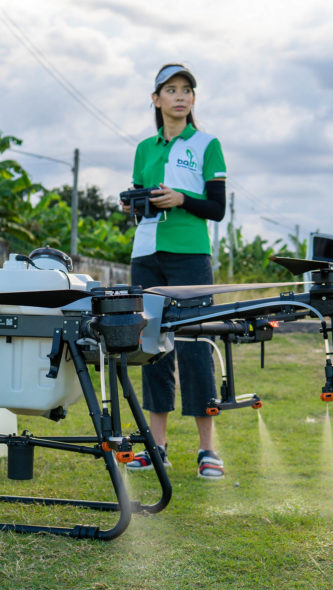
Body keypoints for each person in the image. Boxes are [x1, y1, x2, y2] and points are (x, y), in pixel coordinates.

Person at [123, 63, 227, 479]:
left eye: (187, 90)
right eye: (171, 90)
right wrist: (133, 203)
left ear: (193, 100)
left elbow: (216, 209)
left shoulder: (207, 144)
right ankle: (156, 446)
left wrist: (181, 199)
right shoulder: (144, 148)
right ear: (156, 99)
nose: (181, 97)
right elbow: (137, 204)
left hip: (190, 256)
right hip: (146, 255)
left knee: (196, 344)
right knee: (150, 344)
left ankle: (207, 450)